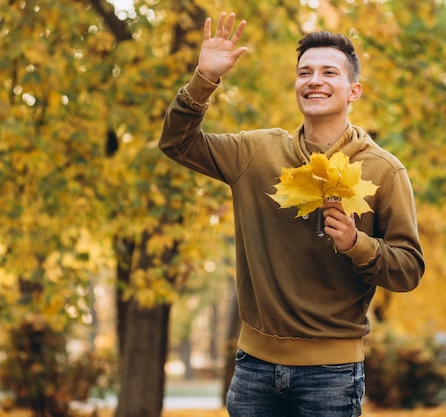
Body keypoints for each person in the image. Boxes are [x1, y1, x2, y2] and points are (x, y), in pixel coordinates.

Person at [159, 12, 425, 417]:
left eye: (328, 72)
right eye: (305, 72)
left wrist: (358, 244)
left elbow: (408, 270)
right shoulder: (256, 152)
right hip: (254, 370)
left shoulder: (384, 171)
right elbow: (176, 142)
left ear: (353, 91)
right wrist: (204, 78)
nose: (314, 80)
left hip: (331, 373)